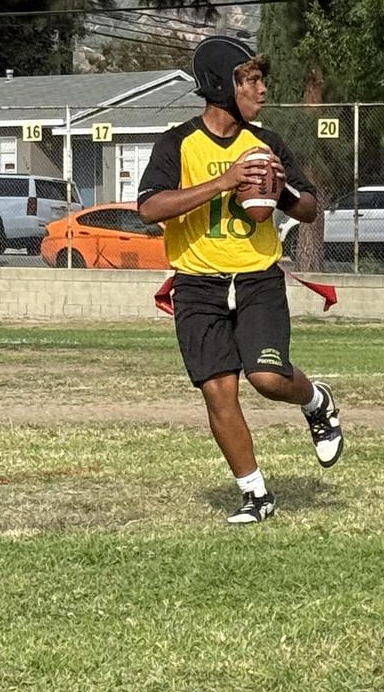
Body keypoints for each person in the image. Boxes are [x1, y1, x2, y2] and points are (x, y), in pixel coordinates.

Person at [136, 36, 342, 524]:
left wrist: (278, 190)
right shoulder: (178, 142)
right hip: (197, 284)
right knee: (218, 391)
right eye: (251, 79)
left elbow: (311, 209)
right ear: (219, 85)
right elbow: (149, 207)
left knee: (268, 377)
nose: (262, 89)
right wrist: (224, 182)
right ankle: (256, 495)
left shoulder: (267, 143)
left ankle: (316, 402)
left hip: (256, 279)